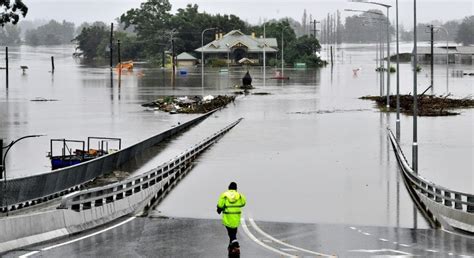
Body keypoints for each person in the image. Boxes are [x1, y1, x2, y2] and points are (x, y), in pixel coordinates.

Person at [217, 182, 246, 255]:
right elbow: (243, 203)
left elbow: (220, 205)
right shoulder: (239, 195)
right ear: (236, 188)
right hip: (236, 217)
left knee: (231, 233)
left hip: (228, 216)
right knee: (233, 231)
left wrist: (219, 209)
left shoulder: (224, 195)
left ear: (229, 188)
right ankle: (232, 246)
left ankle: (235, 243)